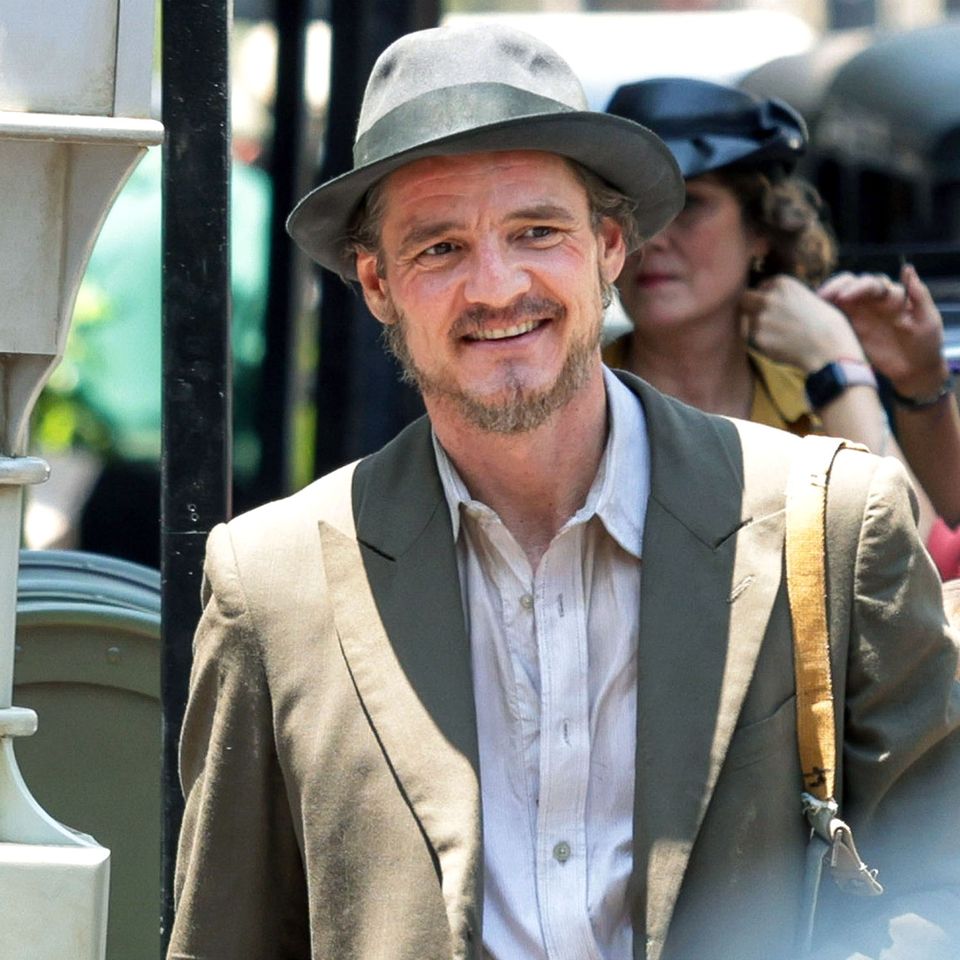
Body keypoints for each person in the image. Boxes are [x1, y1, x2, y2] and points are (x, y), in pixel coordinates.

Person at [168, 25, 960, 960]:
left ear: (610, 246)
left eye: (536, 231)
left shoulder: (829, 522)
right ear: (377, 283)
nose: (497, 286)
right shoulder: (271, 585)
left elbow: (935, 882)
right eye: (439, 248)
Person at [603, 78, 937, 539]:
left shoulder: (819, 402)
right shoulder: (577, 398)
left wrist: (837, 369)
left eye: (687, 205)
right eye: (633, 211)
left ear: (759, 230)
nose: (653, 237)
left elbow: (912, 559)